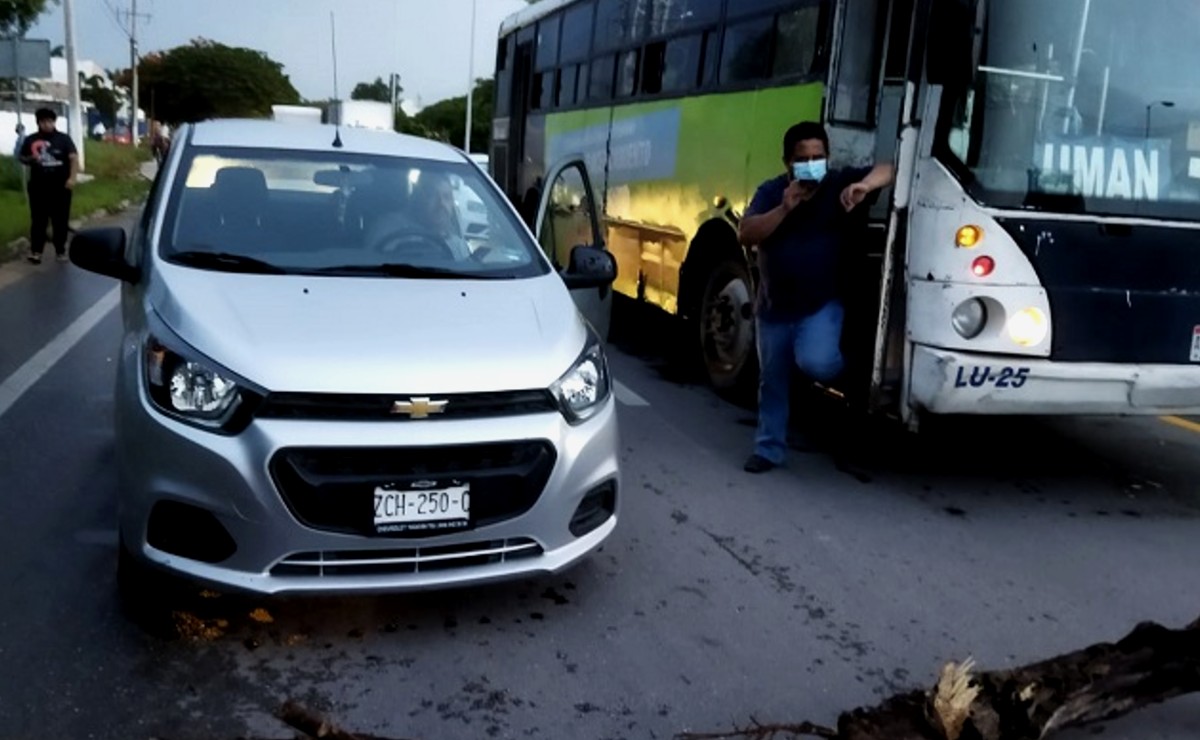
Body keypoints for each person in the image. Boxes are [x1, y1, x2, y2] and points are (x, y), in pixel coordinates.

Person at [739, 121, 894, 474]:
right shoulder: (772, 191)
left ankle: (848, 381)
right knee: (772, 381)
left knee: (816, 362)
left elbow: (891, 168)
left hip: (820, 304)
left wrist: (864, 185)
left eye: (818, 156)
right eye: (802, 158)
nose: (811, 164)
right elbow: (746, 233)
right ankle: (768, 450)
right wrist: (784, 209)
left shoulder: (839, 182)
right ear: (787, 163)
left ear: (828, 157)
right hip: (774, 309)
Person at [17, 108, 78, 265]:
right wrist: (31, 159)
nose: (47, 124)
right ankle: (36, 251)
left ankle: (60, 250)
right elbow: (22, 158)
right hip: (39, 187)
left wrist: (72, 178)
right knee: (38, 220)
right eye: (43, 121)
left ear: (54, 122)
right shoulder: (31, 139)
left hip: (60, 187)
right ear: (38, 123)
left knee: (60, 220)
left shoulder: (63, 139)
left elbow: (73, 158)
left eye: (50, 121)